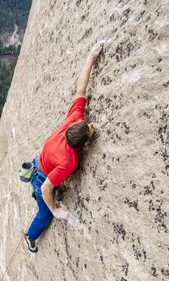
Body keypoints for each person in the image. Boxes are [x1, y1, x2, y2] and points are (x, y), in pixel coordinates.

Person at [24, 42, 103, 253]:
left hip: (40, 162)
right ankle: (30, 237)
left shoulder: (74, 119)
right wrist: (55, 209)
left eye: (89, 125)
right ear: (84, 145)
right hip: (41, 178)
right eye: (90, 130)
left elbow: (81, 89)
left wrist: (90, 59)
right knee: (45, 214)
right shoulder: (70, 161)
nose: (92, 125)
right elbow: (46, 188)